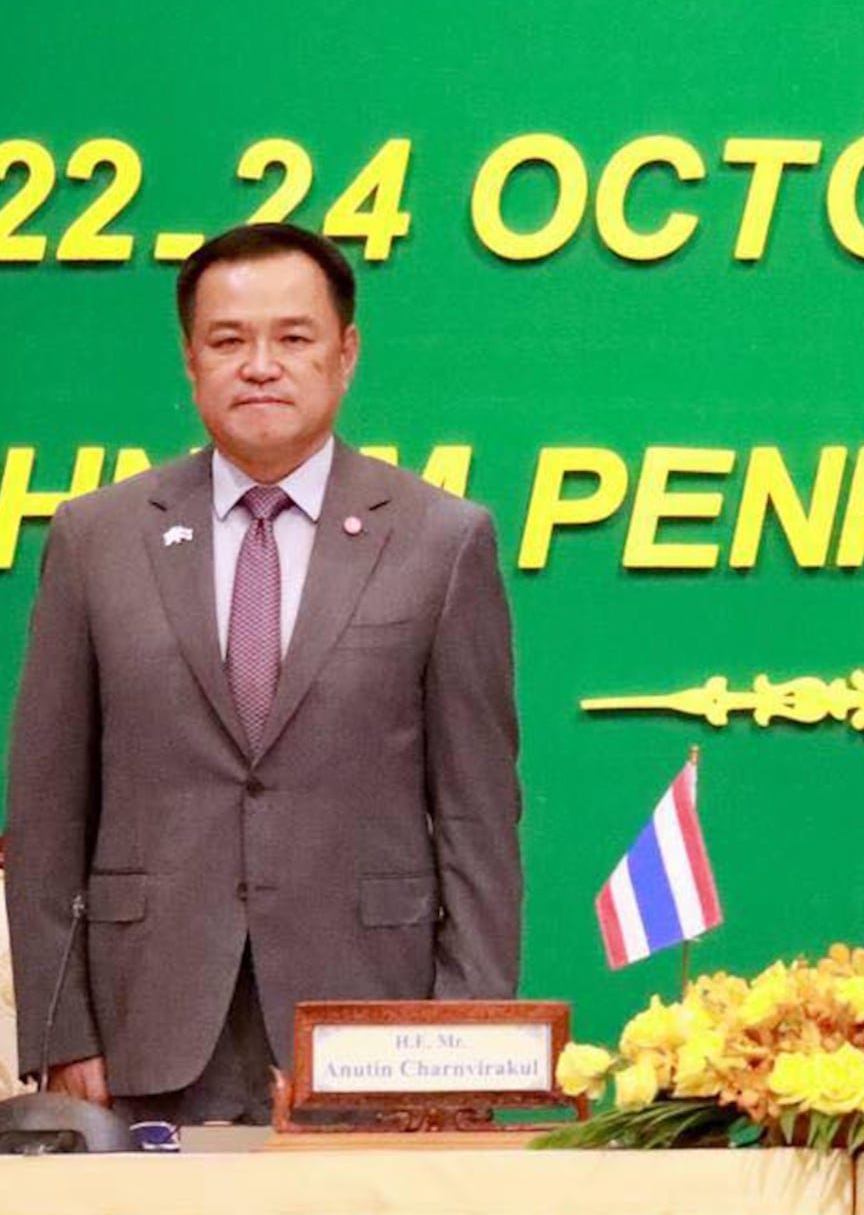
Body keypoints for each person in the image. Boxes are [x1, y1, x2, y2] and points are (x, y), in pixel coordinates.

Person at [5, 222, 524, 1124]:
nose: (260, 366)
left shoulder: (442, 540)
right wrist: (60, 1029)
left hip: (371, 1032)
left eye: (293, 338)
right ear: (190, 360)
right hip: (142, 1027)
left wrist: (465, 1041)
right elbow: (47, 808)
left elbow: (478, 817)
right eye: (229, 341)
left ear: (346, 353)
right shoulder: (95, 538)